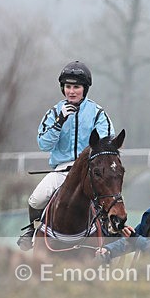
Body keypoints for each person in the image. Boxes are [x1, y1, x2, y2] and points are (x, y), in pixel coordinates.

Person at [18, 60, 115, 249]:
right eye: (68, 87)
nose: (72, 91)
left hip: (90, 171)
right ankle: (32, 228)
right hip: (62, 170)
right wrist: (59, 122)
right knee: (36, 198)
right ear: (63, 88)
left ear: (84, 89)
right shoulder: (54, 112)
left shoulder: (97, 113)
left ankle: (112, 229)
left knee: (110, 196)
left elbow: (106, 141)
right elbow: (43, 144)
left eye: (76, 87)